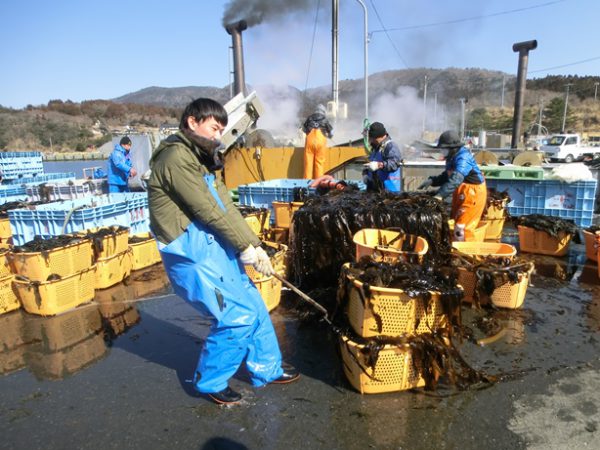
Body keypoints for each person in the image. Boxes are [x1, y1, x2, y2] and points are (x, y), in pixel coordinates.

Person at [147, 98, 299, 406]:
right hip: (190, 252)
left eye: (221, 130)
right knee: (236, 315)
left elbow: (224, 205)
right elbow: (207, 211)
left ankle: (265, 368)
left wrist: (254, 245)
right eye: (214, 128)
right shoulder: (175, 158)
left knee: (253, 303)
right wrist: (243, 245)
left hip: (214, 244)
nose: (219, 136)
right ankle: (210, 380)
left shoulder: (201, 158)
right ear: (192, 122)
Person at [419, 130, 487, 242]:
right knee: (456, 220)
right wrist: (432, 181)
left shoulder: (463, 157)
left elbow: (456, 179)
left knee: (462, 228)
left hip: (473, 194)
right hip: (461, 192)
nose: (442, 151)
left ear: (453, 147)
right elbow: (448, 175)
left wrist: (440, 195)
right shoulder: (451, 157)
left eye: (444, 148)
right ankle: (456, 247)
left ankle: (466, 254)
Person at [363, 121, 403, 192]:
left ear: (377, 137)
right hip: (376, 190)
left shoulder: (390, 146)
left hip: (390, 193)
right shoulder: (375, 148)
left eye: (371, 138)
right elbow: (370, 164)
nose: (370, 140)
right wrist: (366, 174)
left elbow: (394, 163)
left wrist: (379, 165)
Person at [302, 110, 333, 179]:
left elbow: (303, 129)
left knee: (308, 163)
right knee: (319, 163)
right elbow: (331, 132)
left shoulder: (309, 118)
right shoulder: (325, 119)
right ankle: (318, 183)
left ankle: (307, 183)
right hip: (320, 142)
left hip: (310, 141)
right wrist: (330, 136)